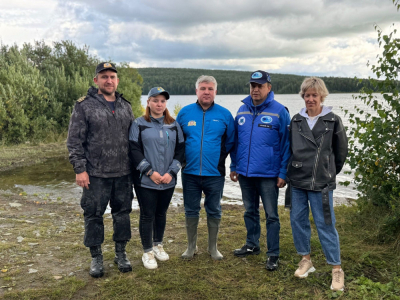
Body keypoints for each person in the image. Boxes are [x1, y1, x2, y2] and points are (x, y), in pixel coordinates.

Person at [67, 62, 134, 278]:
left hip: (123, 173)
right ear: (96, 80)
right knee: (93, 215)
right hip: (95, 174)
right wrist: (80, 169)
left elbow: (134, 140)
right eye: (104, 76)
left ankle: (120, 253)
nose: (109, 80)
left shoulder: (126, 105)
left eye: (112, 76)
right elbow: (74, 141)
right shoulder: (84, 106)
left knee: (122, 215)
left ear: (117, 80)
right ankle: (96, 257)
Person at [286, 77, 348, 291]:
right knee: (298, 221)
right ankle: (306, 260)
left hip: (321, 183)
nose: (310, 99)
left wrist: (327, 172)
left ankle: (336, 269)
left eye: (314, 95)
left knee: (325, 225)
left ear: (322, 96)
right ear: (303, 96)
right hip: (297, 181)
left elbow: (340, 154)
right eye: (307, 95)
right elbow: (290, 149)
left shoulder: (333, 121)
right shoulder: (295, 120)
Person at [230, 70, 290, 271]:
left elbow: (286, 145)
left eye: (260, 86)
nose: (255, 89)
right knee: (250, 211)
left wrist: (283, 173)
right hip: (245, 173)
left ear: (269, 88)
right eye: (253, 86)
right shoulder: (242, 111)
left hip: (268, 175)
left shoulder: (280, 111)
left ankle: (273, 253)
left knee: (272, 215)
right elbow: (235, 143)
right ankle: (251, 245)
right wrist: (233, 166)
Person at [176, 75, 235, 260]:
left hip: (215, 173)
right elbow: (177, 142)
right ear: (196, 91)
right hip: (190, 172)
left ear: (215, 91)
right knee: (191, 209)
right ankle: (191, 247)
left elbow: (232, 142)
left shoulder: (225, 115)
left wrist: (230, 164)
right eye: (203, 88)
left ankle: (213, 248)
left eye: (210, 89)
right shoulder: (184, 113)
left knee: (214, 209)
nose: (206, 92)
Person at [129, 87, 184, 269]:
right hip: (146, 180)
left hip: (168, 179)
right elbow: (134, 150)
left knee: (161, 213)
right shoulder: (139, 124)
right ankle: (147, 252)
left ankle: (158, 244)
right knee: (147, 215)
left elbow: (181, 151)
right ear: (148, 102)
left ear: (165, 104)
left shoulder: (174, 125)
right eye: (155, 100)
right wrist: (150, 172)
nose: (159, 104)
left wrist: (172, 172)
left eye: (162, 101)